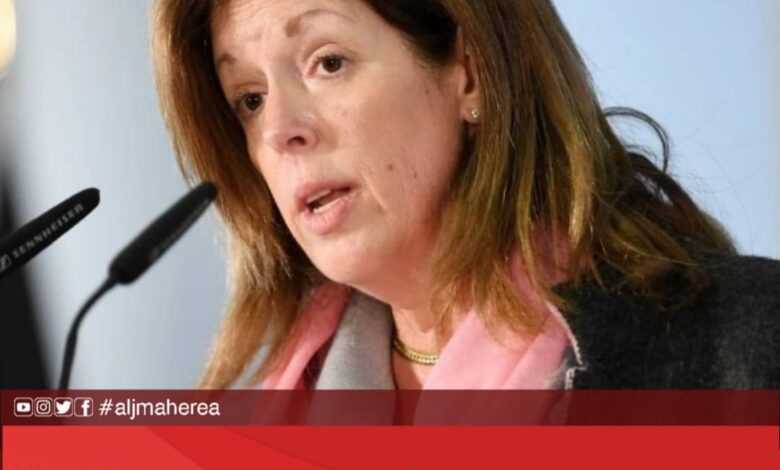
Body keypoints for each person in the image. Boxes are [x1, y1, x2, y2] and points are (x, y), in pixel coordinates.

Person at [150, 0, 779, 391]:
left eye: (328, 63)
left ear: (471, 71)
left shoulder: (742, 348)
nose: (280, 130)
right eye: (250, 99)